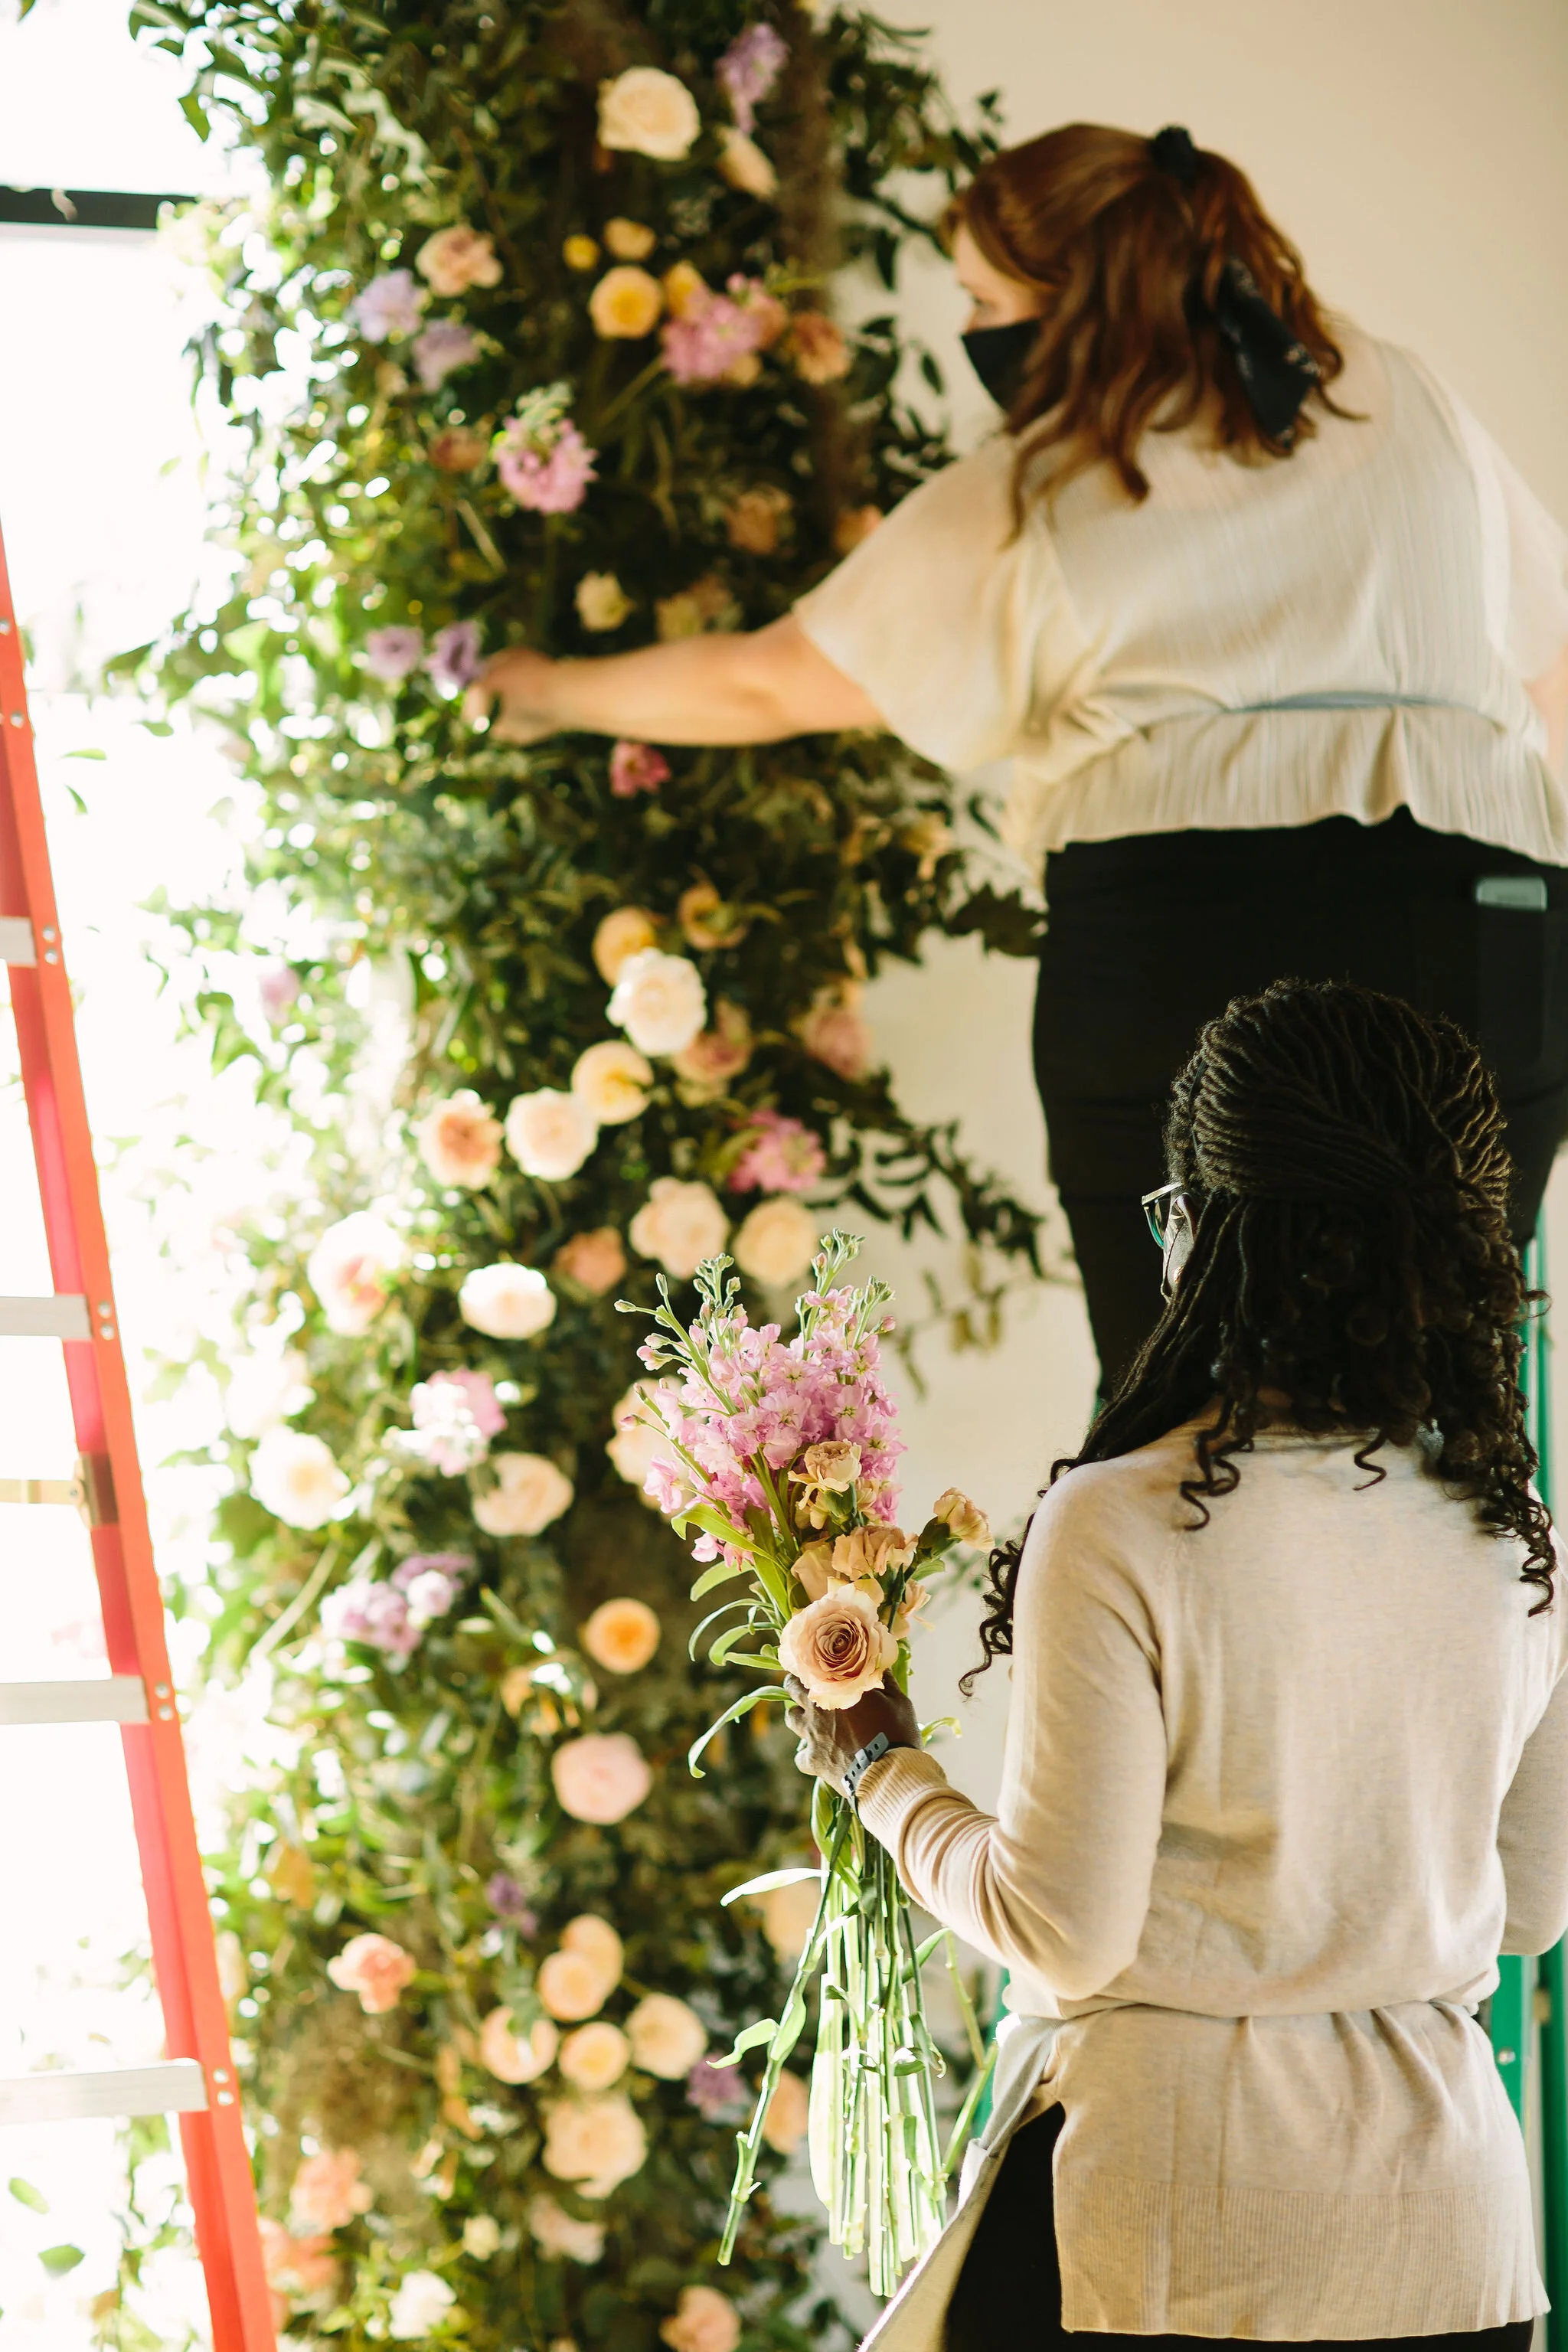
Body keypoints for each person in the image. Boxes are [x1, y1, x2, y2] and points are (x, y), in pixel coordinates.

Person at [467, 122, 1568, 1395]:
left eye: (987, 302)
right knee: (1451, 1407)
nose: (975, 332)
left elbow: (769, 681)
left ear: (1075, 297)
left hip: (1187, 934)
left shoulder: (1051, 482)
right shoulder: (1399, 393)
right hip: (1489, 922)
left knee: (1188, 1416)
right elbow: (1549, 671)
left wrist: (541, 691)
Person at [789, 978, 1568, 2352]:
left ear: (1212, 1238)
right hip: (1456, 2247)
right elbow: (1532, 1910)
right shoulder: (1515, 1532)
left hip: (1175, 2241)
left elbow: (1061, 1927)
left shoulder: (1129, 1519)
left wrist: (881, 1771)